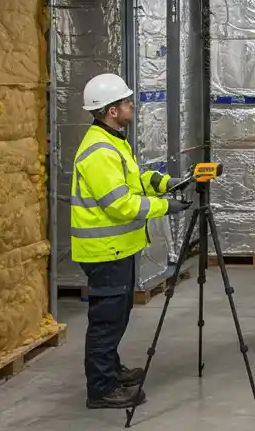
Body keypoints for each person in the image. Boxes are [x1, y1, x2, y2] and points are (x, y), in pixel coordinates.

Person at [71, 73, 190, 409]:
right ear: (111, 111)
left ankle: (110, 370)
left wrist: (168, 183)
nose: (130, 106)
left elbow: (135, 179)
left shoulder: (114, 140)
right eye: (125, 102)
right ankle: (101, 389)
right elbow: (120, 203)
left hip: (117, 249)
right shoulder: (98, 151)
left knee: (117, 316)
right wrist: (167, 206)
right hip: (103, 251)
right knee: (106, 321)